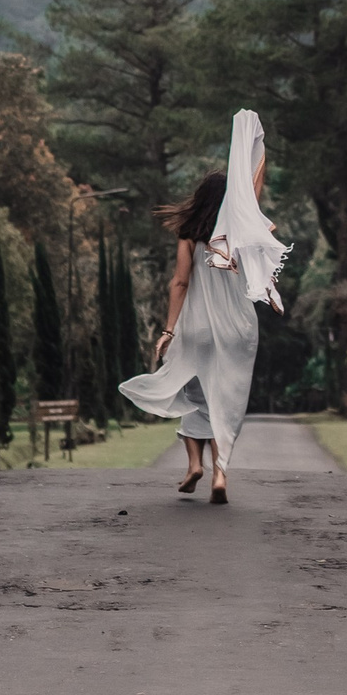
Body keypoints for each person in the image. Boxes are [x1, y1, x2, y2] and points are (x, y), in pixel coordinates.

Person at [119, 109, 290, 503]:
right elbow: (255, 184)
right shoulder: (242, 230)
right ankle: (220, 474)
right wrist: (256, 143)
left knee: (195, 396)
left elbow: (180, 282)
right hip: (238, 329)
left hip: (197, 328)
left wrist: (168, 330)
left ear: (200, 199)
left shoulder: (190, 233)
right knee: (226, 400)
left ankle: (194, 464)